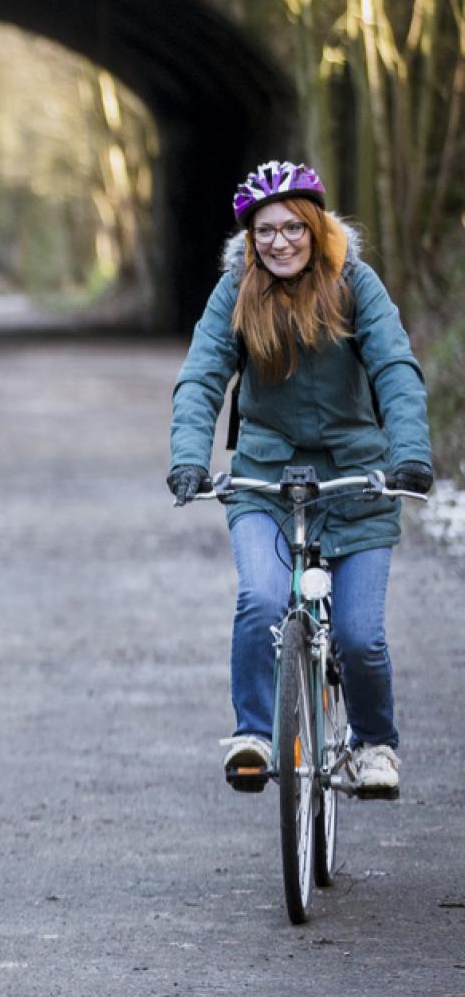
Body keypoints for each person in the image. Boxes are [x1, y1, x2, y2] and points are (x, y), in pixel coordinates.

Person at [168, 161, 433, 798]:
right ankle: (255, 734)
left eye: (292, 228)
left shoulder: (355, 283)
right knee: (261, 600)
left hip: (358, 479)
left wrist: (411, 455)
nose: (279, 242)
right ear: (249, 238)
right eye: (264, 231)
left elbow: (395, 368)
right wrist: (189, 458)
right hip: (266, 480)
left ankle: (373, 744)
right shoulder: (235, 291)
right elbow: (203, 376)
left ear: (315, 228)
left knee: (359, 637)